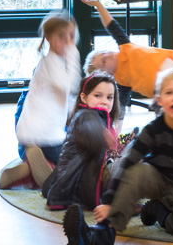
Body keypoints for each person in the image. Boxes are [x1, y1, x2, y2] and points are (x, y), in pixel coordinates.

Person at [62, 66, 173, 245]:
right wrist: (110, 201)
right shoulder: (153, 129)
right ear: (160, 101)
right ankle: (99, 235)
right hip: (153, 177)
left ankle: (157, 209)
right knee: (135, 171)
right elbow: (128, 163)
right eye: (170, 93)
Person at [7, 10, 80, 188]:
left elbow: (62, 98)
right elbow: (71, 85)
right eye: (62, 37)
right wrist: (73, 54)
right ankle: (37, 176)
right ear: (48, 38)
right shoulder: (53, 63)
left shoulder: (45, 63)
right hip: (47, 136)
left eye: (71, 37)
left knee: (46, 156)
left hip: (28, 136)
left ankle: (29, 168)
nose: (68, 42)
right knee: (74, 164)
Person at [42, 73, 120, 211]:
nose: (104, 101)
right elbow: (90, 129)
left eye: (109, 97)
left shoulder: (99, 118)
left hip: (72, 175)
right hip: (77, 182)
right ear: (84, 97)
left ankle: (40, 173)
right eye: (98, 96)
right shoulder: (84, 116)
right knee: (125, 173)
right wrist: (102, 134)